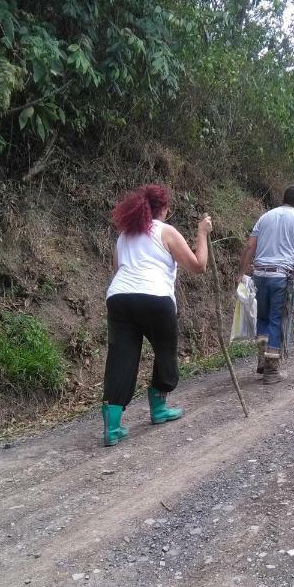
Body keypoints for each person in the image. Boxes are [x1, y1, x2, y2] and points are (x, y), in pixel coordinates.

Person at [101, 184, 212, 447]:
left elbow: (118, 268)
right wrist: (202, 232)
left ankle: (113, 425)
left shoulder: (124, 234)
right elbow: (198, 266)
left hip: (119, 297)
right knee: (165, 351)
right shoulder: (166, 231)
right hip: (156, 298)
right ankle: (159, 408)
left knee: (121, 357)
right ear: (163, 209)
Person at [237, 184, 294, 385]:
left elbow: (250, 246)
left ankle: (262, 360)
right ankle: (271, 370)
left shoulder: (265, 217)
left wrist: (241, 272)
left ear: (283, 198)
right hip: (283, 278)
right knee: (278, 320)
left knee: (263, 319)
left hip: (259, 276)